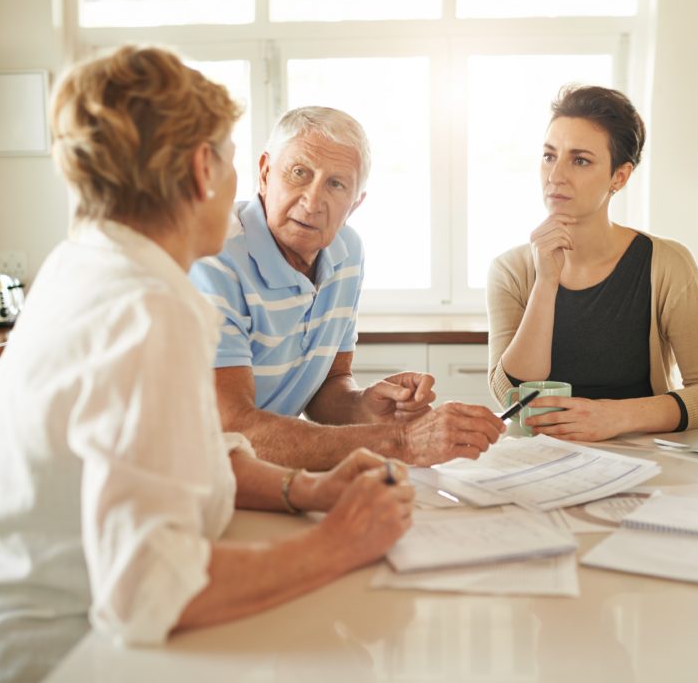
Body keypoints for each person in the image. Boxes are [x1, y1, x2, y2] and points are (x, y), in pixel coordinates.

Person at [0, 46, 415, 683]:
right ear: (205, 168)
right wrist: (337, 546)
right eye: (230, 156)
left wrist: (306, 490)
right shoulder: (148, 308)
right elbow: (147, 589)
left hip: (31, 632)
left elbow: (182, 454)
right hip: (62, 661)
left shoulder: (94, 261)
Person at [189, 107, 504, 469]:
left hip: (265, 474)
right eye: (299, 173)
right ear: (264, 172)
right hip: (192, 478)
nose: (312, 201)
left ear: (355, 203)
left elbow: (329, 384)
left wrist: (363, 406)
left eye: (335, 184)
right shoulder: (215, 254)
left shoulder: (347, 252)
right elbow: (234, 431)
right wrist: (402, 442)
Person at [486, 84, 698, 442]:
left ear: (619, 176)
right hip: (539, 461)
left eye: (580, 160)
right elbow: (513, 397)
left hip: (646, 461)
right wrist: (546, 282)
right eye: (549, 156)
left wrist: (617, 416)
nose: (555, 176)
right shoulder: (510, 271)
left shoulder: (667, 264)